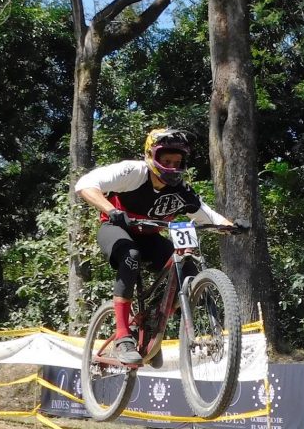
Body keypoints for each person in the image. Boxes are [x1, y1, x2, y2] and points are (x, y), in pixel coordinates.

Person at [75, 128, 234, 365]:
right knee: (130, 255)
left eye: (177, 161)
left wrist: (230, 226)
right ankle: (123, 336)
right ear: (152, 156)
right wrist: (112, 210)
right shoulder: (133, 172)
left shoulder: (181, 191)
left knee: (188, 270)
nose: (172, 166)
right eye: (166, 160)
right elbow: (85, 184)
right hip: (116, 229)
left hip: (149, 237)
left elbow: (206, 214)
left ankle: (152, 328)